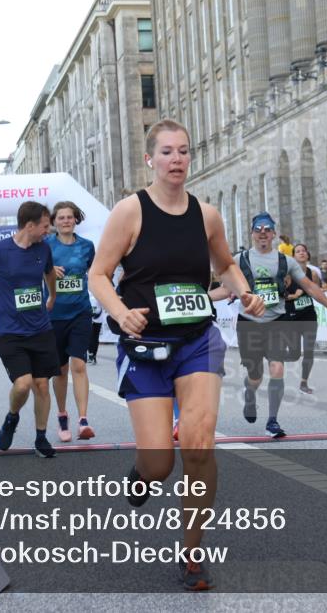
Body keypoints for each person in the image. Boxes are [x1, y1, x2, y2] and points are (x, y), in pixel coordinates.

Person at [89, 119, 265, 591]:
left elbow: (225, 263)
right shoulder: (130, 211)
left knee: (200, 442)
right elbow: (99, 274)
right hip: (145, 345)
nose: (176, 160)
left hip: (196, 340)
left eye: (183, 151)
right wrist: (121, 312)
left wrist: (244, 291)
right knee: (161, 464)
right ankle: (143, 474)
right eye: (166, 152)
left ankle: (191, 552)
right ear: (150, 159)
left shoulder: (206, 215)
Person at [0, 201, 61, 459]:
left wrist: (52, 296)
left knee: (41, 384)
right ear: (29, 225)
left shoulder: (44, 249)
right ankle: (12, 417)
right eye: (44, 226)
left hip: (40, 329)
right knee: (23, 385)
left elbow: (49, 274)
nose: (47, 231)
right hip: (9, 331)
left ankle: (41, 437)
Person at [235, 213, 327, 437]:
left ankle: (272, 422)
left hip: (277, 320)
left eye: (268, 229)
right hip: (249, 323)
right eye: (259, 229)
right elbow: (225, 285)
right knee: (255, 374)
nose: (263, 233)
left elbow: (309, 286)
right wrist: (206, 298)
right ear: (252, 233)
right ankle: (250, 391)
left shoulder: (286, 261)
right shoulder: (240, 259)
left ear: (274, 234)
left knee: (277, 368)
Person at [45, 200, 97, 442]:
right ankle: (63, 415)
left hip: (80, 312)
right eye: (61, 217)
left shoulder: (87, 247)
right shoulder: (45, 247)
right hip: (54, 315)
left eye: (70, 217)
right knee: (61, 370)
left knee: (79, 365)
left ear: (76, 219)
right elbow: (30, 273)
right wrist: (46, 271)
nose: (66, 221)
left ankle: (83, 420)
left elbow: (96, 274)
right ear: (54, 222)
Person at [284, 243, 321, 394]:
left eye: (304, 251)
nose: (301, 253)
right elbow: (281, 294)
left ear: (308, 255)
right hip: (292, 317)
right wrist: (294, 295)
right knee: (294, 354)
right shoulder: (288, 274)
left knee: (309, 351)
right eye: (298, 251)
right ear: (293, 256)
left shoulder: (313, 274)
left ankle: (304, 383)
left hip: (309, 316)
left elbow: (317, 291)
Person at [87, 293, 102, 365]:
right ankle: (90, 354)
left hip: (98, 316)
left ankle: (93, 356)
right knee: (89, 336)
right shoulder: (86, 287)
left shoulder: (98, 288)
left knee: (95, 337)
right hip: (88, 315)